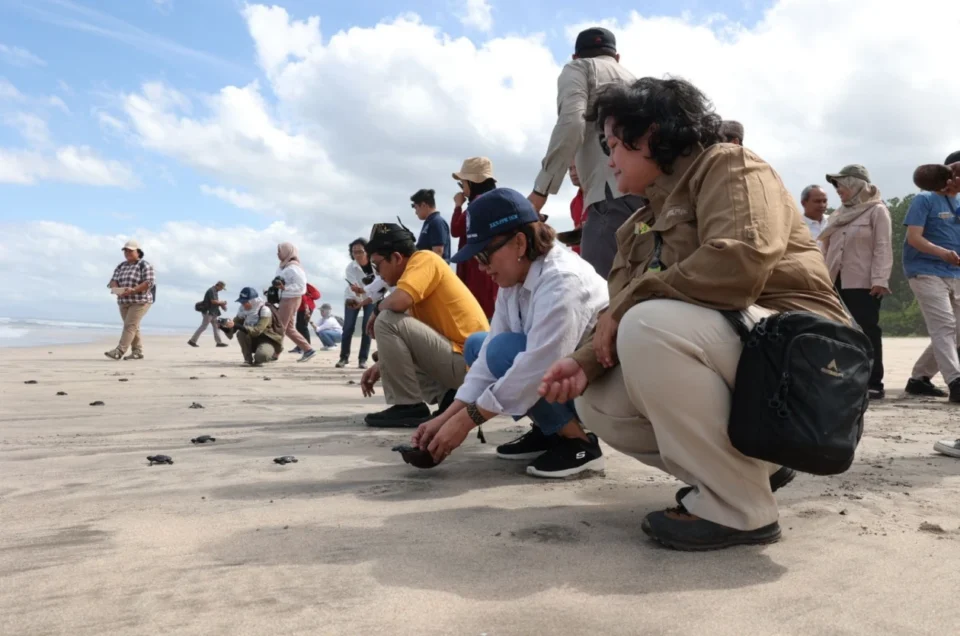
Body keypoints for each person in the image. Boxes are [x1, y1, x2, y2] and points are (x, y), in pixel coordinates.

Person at [538, 77, 849, 550]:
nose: (609, 158)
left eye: (614, 143)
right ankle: (746, 472)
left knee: (647, 324)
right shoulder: (638, 224)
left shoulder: (730, 164)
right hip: (749, 353)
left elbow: (739, 262)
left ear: (651, 136)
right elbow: (617, 318)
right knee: (596, 399)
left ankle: (739, 510)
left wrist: (633, 301)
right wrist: (580, 363)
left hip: (809, 362)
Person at [412, 188, 610, 478]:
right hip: (560, 383)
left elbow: (537, 366)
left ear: (519, 243)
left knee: (505, 351)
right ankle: (549, 430)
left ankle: (580, 445)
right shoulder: (516, 278)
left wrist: (466, 422)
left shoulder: (562, 280)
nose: (481, 268)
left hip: (599, 390)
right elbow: (487, 361)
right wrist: (445, 417)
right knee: (480, 345)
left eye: (483, 255)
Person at [527, 26, 644, 280]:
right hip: (647, 204)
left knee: (601, 298)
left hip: (608, 200)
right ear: (617, 57)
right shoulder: (636, 81)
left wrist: (540, 191)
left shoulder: (578, 69)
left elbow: (571, 123)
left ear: (575, 57)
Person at [358, 222, 489, 428]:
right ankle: (449, 399)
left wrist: (375, 310)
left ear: (397, 257)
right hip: (464, 367)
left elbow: (398, 304)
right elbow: (412, 338)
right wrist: (382, 364)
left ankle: (407, 407)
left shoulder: (425, 259)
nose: (378, 274)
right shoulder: (416, 280)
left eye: (378, 265)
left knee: (386, 318)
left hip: (470, 366)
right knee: (388, 336)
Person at [821, 165, 893, 399]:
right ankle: (844, 378)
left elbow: (883, 246)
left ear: (855, 185)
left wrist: (880, 279)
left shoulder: (877, 211)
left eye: (841, 185)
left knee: (867, 331)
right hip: (834, 281)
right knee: (838, 331)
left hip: (863, 282)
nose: (838, 190)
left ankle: (874, 382)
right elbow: (825, 247)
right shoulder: (838, 213)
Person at [903, 150, 960, 404]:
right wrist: (941, 253)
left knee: (956, 330)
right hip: (925, 270)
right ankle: (956, 381)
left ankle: (919, 379)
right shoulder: (924, 200)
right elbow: (914, 238)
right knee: (945, 326)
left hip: (954, 271)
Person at [450, 157, 500, 319]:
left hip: (476, 273)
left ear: (472, 183)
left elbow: (456, 230)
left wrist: (458, 206)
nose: (462, 189)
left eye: (463, 184)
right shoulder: (494, 201)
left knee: (478, 319)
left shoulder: (477, 204)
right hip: (489, 273)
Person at [105, 239, 156, 361]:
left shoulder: (144, 265)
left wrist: (133, 290)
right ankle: (137, 352)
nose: (127, 253)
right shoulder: (121, 266)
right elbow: (113, 280)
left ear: (138, 252)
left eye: (130, 251)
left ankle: (119, 351)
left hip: (140, 300)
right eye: (125, 251)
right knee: (133, 326)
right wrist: (117, 289)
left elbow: (148, 283)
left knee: (130, 325)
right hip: (123, 301)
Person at [273, 242, 316, 362]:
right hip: (286, 298)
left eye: (280, 251)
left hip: (290, 298)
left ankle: (275, 353)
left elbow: (302, 287)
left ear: (287, 252)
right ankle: (308, 350)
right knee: (288, 328)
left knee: (280, 326)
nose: (278, 254)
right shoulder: (284, 266)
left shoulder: (294, 267)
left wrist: (285, 288)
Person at [221, 287, 283, 366]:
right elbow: (232, 331)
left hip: (266, 340)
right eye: (242, 302)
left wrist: (236, 325)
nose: (243, 304)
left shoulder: (264, 310)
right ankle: (248, 360)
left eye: (245, 302)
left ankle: (262, 357)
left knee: (262, 356)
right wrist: (223, 327)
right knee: (241, 333)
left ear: (253, 301)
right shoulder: (242, 310)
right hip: (252, 340)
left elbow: (257, 331)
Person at [339, 238, 377, 369]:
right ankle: (343, 358)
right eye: (354, 252)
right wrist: (357, 299)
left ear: (367, 251)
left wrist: (365, 294)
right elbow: (353, 286)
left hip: (371, 298)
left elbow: (379, 286)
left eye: (360, 251)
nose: (357, 255)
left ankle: (362, 359)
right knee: (348, 327)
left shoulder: (375, 265)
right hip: (352, 297)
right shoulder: (350, 267)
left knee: (367, 327)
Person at [411, 188, 451, 262]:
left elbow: (438, 252)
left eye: (416, 208)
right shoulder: (430, 222)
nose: (416, 212)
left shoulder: (437, 222)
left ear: (423, 205)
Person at [557, 161, 586, 254]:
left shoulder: (603, 197)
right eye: (570, 169)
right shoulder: (574, 203)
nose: (573, 173)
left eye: (576, 167)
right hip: (581, 259)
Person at [188, 281, 228, 348]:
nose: (221, 290)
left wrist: (222, 304)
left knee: (216, 326)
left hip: (213, 312)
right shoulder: (211, 290)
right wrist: (222, 302)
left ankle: (219, 342)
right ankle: (192, 341)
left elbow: (216, 302)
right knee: (203, 326)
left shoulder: (215, 291)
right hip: (208, 312)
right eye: (221, 288)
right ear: (218, 286)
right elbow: (213, 301)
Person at [290, 282, 321, 355]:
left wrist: (307, 305)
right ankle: (301, 346)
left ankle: (307, 347)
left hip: (306, 307)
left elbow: (316, 295)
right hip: (301, 308)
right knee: (299, 327)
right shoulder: (297, 284)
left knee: (303, 327)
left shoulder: (303, 284)